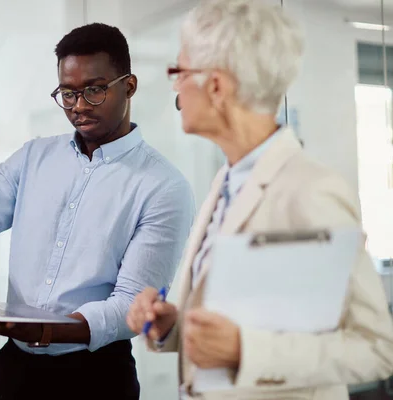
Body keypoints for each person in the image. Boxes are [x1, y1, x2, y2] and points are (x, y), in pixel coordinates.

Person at [126, 0, 393, 399]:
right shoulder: (225, 181)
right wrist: (171, 325)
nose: (175, 86)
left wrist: (246, 351)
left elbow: (376, 349)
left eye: (179, 72)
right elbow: (241, 318)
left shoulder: (312, 189)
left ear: (216, 86)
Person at [0, 22, 194, 399]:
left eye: (94, 91)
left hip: (95, 376)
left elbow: (131, 306)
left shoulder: (163, 186)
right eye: (68, 94)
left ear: (129, 85)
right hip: (14, 368)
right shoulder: (34, 156)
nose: (78, 107)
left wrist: (47, 330)